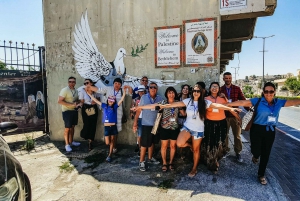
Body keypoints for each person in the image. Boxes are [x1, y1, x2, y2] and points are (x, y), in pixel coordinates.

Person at [157, 84, 241, 177]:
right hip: (187, 127)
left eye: (198, 91)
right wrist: (160, 106)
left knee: (196, 150)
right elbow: (174, 104)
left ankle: (194, 168)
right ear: (192, 92)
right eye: (194, 91)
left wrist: (230, 108)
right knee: (179, 143)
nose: (196, 93)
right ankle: (190, 145)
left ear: (201, 93)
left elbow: (218, 106)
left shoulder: (205, 102)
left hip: (198, 129)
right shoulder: (188, 101)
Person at [226, 82, 300, 185]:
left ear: (274, 92)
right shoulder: (258, 101)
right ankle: (255, 156)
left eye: (271, 91)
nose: (268, 94)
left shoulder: (279, 102)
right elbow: (243, 102)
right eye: (266, 91)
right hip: (257, 129)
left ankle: (261, 174)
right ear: (263, 92)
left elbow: (293, 102)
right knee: (256, 150)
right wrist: (227, 105)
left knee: (266, 153)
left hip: (270, 130)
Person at [135, 87, 186, 172]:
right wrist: (140, 107)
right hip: (164, 128)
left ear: (175, 94)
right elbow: (152, 106)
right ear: (167, 94)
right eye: (169, 93)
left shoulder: (178, 103)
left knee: (173, 146)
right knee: (164, 146)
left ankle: (171, 163)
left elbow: (184, 114)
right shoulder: (163, 102)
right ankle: (164, 163)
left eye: (173, 93)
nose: (171, 94)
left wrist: (182, 108)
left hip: (174, 128)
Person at [86, 78, 132, 153]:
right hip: (108, 114)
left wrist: (129, 87)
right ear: (113, 83)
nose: (117, 85)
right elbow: (98, 90)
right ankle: (111, 145)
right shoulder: (108, 88)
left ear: (121, 85)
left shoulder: (122, 90)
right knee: (108, 131)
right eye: (116, 83)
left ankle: (114, 146)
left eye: (119, 84)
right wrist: (89, 87)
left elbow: (130, 93)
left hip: (118, 114)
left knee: (116, 131)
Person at [133, 82, 163, 171]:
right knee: (144, 144)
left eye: (154, 87)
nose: (153, 89)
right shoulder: (144, 97)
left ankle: (150, 158)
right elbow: (138, 110)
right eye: (151, 87)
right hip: (146, 124)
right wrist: (135, 122)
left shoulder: (160, 98)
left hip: (156, 125)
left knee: (152, 142)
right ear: (148, 89)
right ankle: (141, 161)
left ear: (157, 89)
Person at [202, 82, 229, 172]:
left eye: (216, 87)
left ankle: (216, 158)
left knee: (220, 142)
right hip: (209, 123)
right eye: (213, 86)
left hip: (221, 123)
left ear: (219, 89)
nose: (214, 88)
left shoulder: (222, 98)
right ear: (210, 89)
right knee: (210, 142)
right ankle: (211, 161)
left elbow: (228, 107)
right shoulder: (206, 99)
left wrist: (225, 97)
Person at [220, 72, 247, 162]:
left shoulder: (237, 88)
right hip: (224, 116)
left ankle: (238, 152)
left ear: (231, 78)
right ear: (223, 79)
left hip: (235, 116)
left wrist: (249, 109)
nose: (228, 79)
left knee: (237, 136)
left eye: (229, 78)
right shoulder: (220, 90)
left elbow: (243, 100)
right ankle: (225, 151)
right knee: (224, 135)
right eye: (226, 78)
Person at [57, 76, 81, 152]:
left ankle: (71, 142)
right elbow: (60, 101)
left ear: (75, 83)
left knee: (72, 127)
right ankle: (67, 145)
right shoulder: (64, 90)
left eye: (73, 82)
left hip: (74, 111)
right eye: (70, 81)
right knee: (67, 128)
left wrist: (78, 104)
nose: (71, 83)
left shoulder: (76, 91)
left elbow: (76, 100)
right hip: (66, 111)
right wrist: (71, 105)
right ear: (68, 82)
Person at [79, 79, 99, 151]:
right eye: (84, 83)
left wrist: (95, 101)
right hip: (86, 107)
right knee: (87, 123)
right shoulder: (83, 90)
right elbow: (82, 101)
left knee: (93, 125)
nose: (86, 84)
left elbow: (98, 98)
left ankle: (90, 141)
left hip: (93, 108)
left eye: (87, 83)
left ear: (91, 83)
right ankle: (84, 135)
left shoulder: (94, 90)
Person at [130, 85, 146, 154]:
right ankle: (140, 149)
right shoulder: (136, 99)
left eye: (142, 91)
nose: (141, 93)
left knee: (145, 135)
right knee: (139, 135)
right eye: (140, 92)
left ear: (145, 91)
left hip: (146, 119)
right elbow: (132, 109)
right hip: (139, 118)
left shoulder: (147, 99)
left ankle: (145, 149)